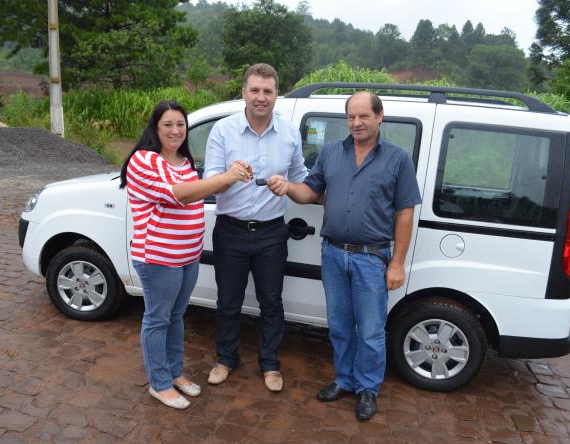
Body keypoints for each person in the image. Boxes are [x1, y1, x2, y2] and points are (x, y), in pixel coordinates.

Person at [267, 91, 422, 420]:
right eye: (351, 117)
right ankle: (345, 380)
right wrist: (287, 187)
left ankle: (368, 388)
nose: (357, 123)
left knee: (370, 330)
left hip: (371, 258)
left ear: (380, 117)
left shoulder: (397, 159)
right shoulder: (331, 152)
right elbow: (311, 192)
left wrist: (397, 263)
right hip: (334, 254)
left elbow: (405, 213)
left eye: (364, 116)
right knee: (338, 326)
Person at [119, 100, 251, 410]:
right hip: (159, 258)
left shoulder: (184, 161)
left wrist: (239, 175)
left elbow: (200, 191)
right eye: (168, 124)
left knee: (176, 316)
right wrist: (227, 177)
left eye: (181, 124)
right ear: (155, 127)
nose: (176, 130)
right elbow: (176, 195)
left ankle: (174, 373)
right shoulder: (145, 160)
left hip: (188, 256)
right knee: (157, 319)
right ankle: (159, 383)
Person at [203, 63, 308, 392]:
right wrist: (228, 176)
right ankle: (226, 359)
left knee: (272, 302)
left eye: (268, 91)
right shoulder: (223, 130)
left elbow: (302, 181)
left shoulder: (290, 133)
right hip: (230, 229)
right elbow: (208, 185)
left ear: (277, 94)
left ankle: (270, 364)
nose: (261, 97)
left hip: (271, 233)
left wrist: (287, 186)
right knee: (228, 302)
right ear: (244, 93)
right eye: (255, 90)